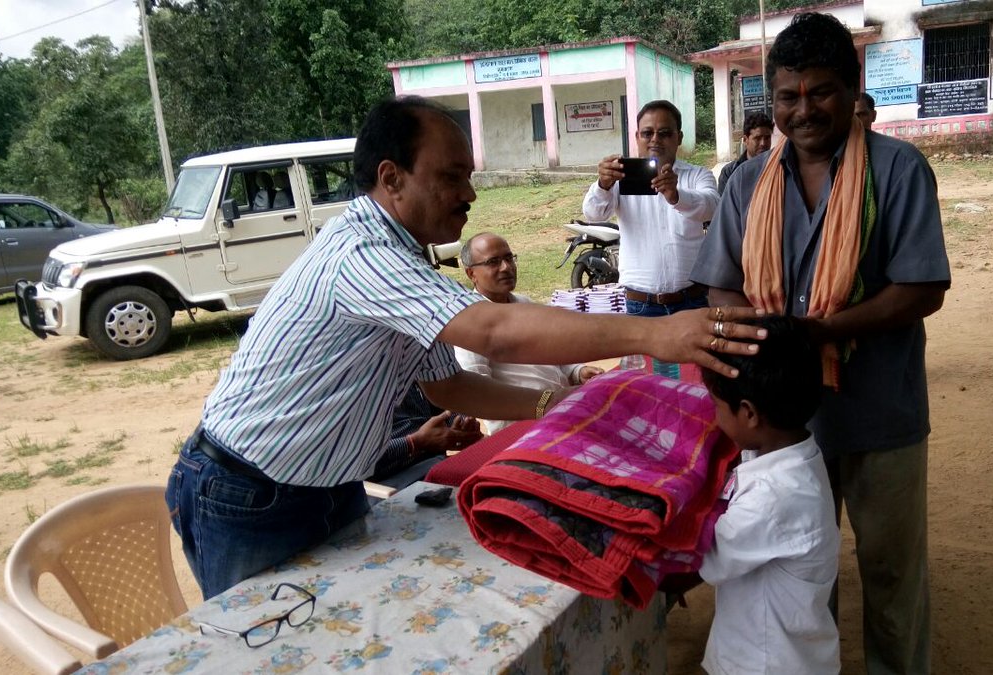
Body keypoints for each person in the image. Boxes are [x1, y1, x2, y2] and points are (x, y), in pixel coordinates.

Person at [166, 96, 764, 599]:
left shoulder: (405, 260)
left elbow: (447, 386)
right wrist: (658, 332)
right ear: (391, 178)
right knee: (263, 647)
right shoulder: (362, 255)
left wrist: (549, 408)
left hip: (325, 487)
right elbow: (492, 331)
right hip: (247, 493)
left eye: (469, 175)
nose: (470, 193)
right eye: (452, 176)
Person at [691, 13, 949, 674]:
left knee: (893, 575)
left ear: (853, 88)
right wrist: (764, 339)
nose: (803, 110)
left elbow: (922, 288)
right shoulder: (747, 182)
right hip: (786, 422)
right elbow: (721, 289)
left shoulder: (899, 170)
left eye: (821, 91)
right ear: (771, 99)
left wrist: (821, 331)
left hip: (880, 412)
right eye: (787, 96)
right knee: (803, 572)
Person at [675, 315, 840, 674]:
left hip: (765, 663)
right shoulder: (791, 455)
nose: (714, 417)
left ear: (749, 413)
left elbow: (702, 560)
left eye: (718, 407)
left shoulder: (774, 495)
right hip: (784, 651)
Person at [453, 232, 603, 434]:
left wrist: (577, 371)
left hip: (563, 408)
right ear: (471, 274)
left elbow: (553, 351)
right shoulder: (469, 323)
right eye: (493, 262)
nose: (506, 267)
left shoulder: (523, 304)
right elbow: (479, 390)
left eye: (509, 258)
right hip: (524, 427)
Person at [583, 100, 719, 317]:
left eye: (665, 133)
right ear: (637, 137)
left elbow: (712, 207)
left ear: (679, 137)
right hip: (641, 304)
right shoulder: (619, 177)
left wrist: (677, 196)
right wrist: (603, 185)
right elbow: (593, 213)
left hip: (692, 300)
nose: (655, 139)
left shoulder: (697, 175)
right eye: (648, 133)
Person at [368, 382, 482, 488]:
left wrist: (461, 424)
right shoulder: (357, 387)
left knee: (492, 472)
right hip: (389, 485)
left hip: (435, 465)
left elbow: (440, 408)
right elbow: (358, 459)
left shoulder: (407, 370)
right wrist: (414, 442)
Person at [718, 111, 775, 196]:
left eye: (767, 138)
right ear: (745, 140)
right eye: (757, 138)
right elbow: (724, 206)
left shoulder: (779, 167)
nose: (763, 143)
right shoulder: (729, 172)